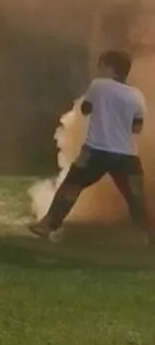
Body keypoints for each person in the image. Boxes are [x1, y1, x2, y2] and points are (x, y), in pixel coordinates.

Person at [29, 49, 151, 243]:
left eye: (102, 65)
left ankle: (48, 225)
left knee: (71, 187)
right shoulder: (137, 95)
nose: (99, 69)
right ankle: (149, 235)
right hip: (127, 156)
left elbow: (85, 110)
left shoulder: (99, 86)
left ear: (111, 68)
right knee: (135, 198)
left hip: (96, 152)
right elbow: (136, 128)